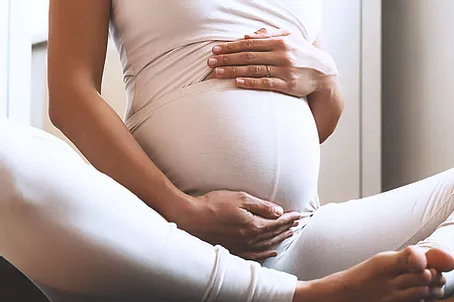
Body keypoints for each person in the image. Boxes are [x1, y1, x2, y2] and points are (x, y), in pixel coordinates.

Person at [1, 0, 454, 301]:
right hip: (168, 239)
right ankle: (304, 297)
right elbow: (69, 95)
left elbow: (320, 118)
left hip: (296, 234)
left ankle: (426, 278)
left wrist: (326, 75)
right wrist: (182, 209)